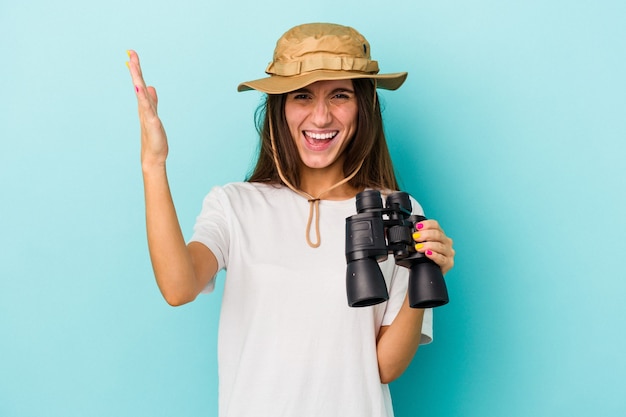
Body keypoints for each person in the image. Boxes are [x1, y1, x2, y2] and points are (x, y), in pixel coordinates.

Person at [127, 22, 455, 417]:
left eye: (339, 95)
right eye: (302, 95)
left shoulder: (397, 212)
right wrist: (153, 164)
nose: (320, 117)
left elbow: (383, 367)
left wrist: (425, 274)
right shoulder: (235, 206)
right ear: (279, 107)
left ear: (364, 105)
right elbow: (178, 288)